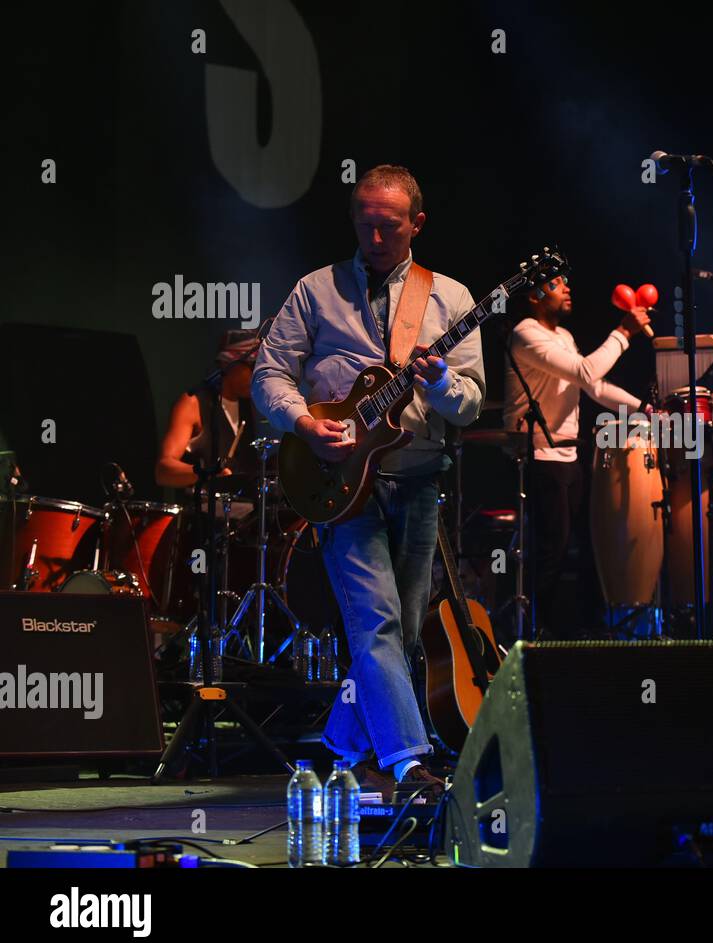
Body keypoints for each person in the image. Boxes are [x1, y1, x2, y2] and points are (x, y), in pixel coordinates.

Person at [254, 165, 485, 793]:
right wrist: (303, 422)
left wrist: (437, 380)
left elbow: (468, 406)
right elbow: (267, 375)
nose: (375, 236)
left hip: (417, 480)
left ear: (417, 223)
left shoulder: (452, 299)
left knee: (404, 633)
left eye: (389, 225)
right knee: (376, 622)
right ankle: (409, 763)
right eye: (364, 222)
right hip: (339, 484)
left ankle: (339, 741)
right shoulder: (315, 291)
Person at [503, 275, 650, 635]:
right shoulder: (525, 332)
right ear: (536, 296)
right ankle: (535, 634)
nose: (567, 288)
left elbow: (593, 384)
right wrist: (624, 332)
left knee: (578, 548)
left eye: (568, 282)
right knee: (552, 551)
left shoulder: (563, 338)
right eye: (556, 284)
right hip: (538, 455)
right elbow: (587, 370)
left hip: (568, 455)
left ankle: (574, 628)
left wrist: (643, 408)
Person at [156, 331, 262, 488]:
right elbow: (163, 471)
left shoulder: (249, 403)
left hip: (241, 509)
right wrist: (208, 474)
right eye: (252, 365)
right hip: (201, 509)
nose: (256, 373)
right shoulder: (193, 403)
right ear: (228, 363)